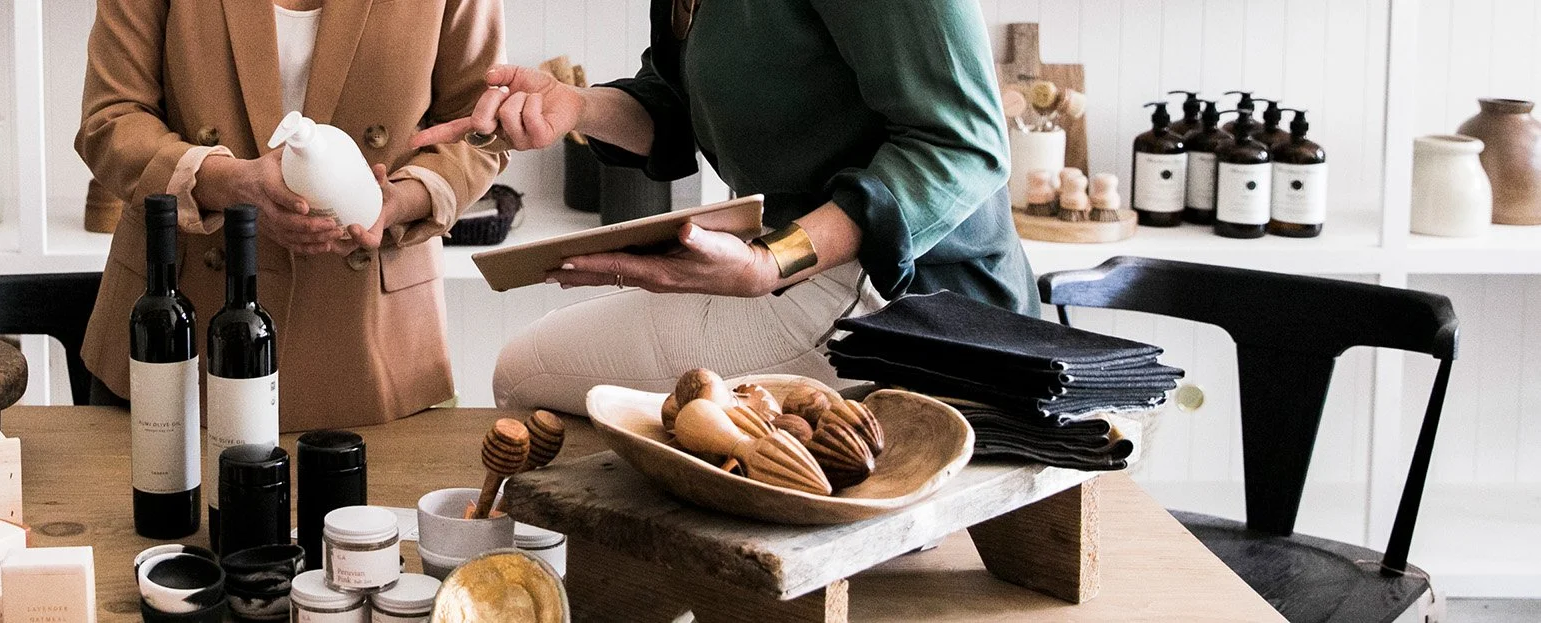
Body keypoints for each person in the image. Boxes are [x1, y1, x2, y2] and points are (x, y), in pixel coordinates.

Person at [413, 0, 1038, 415]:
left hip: (909, 298)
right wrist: (575, 107)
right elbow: (680, 103)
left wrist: (772, 262)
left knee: (526, 374)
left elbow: (966, 145)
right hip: (804, 271)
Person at [76, 0, 506, 429]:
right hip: (179, 333)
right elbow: (113, 118)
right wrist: (232, 183)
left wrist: (397, 201)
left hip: (375, 344)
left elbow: (479, 129)